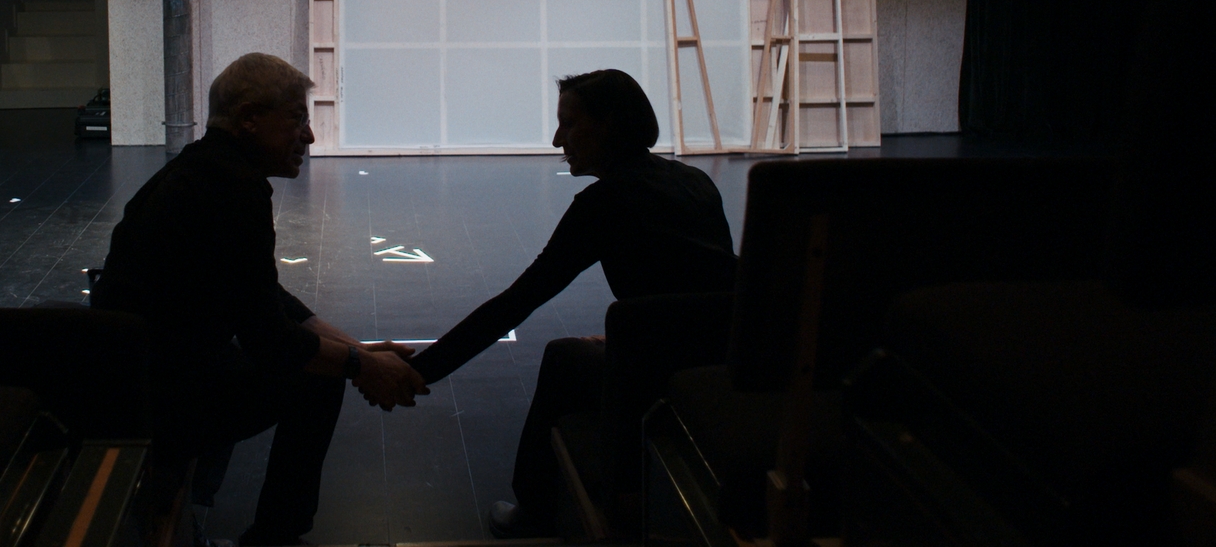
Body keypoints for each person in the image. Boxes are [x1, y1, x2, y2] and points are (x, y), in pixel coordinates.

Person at [93, 52, 428, 546]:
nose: (309, 136)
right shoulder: (234, 191)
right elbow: (271, 342)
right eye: (296, 118)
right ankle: (276, 537)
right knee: (315, 382)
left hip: (138, 372)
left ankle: (204, 513)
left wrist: (354, 349)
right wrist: (362, 366)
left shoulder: (202, 169)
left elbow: (258, 294)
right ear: (249, 119)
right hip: (156, 397)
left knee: (302, 367)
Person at [401, 69, 739, 538]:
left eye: (570, 124)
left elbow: (518, 302)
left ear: (609, 125)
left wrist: (421, 371)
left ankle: (536, 508)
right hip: (723, 357)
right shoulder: (695, 181)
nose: (558, 139)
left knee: (564, 358)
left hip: (656, 371)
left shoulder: (603, 204)